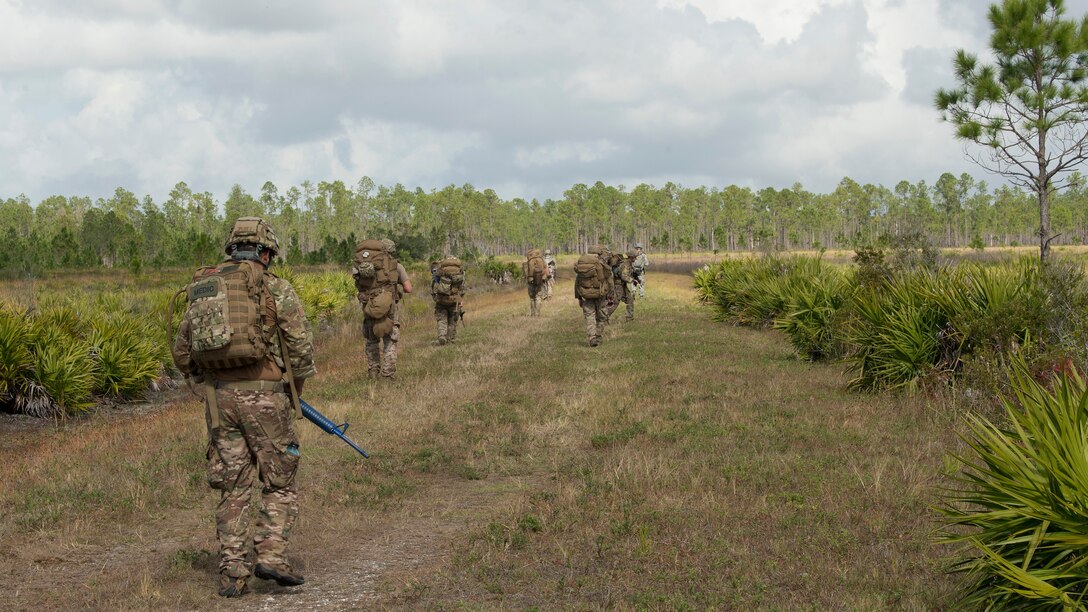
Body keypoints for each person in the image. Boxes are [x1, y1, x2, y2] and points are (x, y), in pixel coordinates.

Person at [171, 217, 315, 598]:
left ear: (232, 249)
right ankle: (271, 556)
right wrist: (292, 389)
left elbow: (182, 352)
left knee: (232, 484)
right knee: (279, 479)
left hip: (220, 401)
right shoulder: (275, 288)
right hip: (266, 396)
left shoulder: (205, 291)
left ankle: (232, 573)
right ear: (266, 251)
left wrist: (207, 382)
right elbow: (300, 350)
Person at [353, 238, 412, 380]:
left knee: (371, 340)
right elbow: (409, 288)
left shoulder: (360, 265)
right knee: (390, 340)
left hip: (368, 306)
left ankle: (373, 371)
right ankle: (388, 373)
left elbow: (358, 283)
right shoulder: (396, 266)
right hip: (389, 308)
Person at [573, 244, 614, 347]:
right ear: (599, 253)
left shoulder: (582, 264)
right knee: (601, 317)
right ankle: (598, 337)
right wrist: (611, 295)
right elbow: (609, 280)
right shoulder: (601, 264)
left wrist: (578, 297)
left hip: (586, 295)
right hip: (600, 295)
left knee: (589, 316)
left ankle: (592, 337)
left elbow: (577, 281)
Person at [432, 255, 465, 345]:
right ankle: (451, 339)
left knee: (441, 319)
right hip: (455, 300)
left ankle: (442, 336)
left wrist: (435, 296)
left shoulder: (440, 270)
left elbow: (435, 282)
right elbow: (462, 287)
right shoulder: (460, 271)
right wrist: (461, 299)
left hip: (442, 299)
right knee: (452, 320)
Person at [604, 249, 635, 322]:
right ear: (631, 257)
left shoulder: (628, 263)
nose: (635, 258)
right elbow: (623, 276)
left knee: (630, 300)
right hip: (618, 285)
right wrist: (632, 280)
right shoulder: (625, 264)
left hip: (622, 285)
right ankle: (604, 318)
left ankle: (629, 318)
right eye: (635, 257)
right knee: (615, 302)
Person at [523, 248, 548, 316]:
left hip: (530, 281)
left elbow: (525, 272)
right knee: (538, 297)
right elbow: (546, 269)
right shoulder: (542, 260)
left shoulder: (528, 261)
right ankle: (537, 313)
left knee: (532, 298)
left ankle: (533, 313)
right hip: (540, 280)